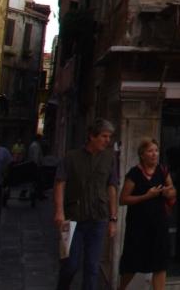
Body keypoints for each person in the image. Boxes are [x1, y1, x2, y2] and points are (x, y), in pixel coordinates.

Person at [54, 120, 120, 290]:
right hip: (72, 218)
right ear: (92, 136)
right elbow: (60, 182)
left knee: (92, 267)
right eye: (104, 136)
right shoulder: (71, 157)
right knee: (70, 265)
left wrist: (113, 219)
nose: (107, 140)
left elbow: (112, 187)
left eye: (109, 137)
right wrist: (59, 211)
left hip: (98, 218)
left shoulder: (109, 158)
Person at [117, 138, 176, 290]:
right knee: (132, 262)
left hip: (159, 223)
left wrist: (168, 193)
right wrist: (146, 196)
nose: (154, 154)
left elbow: (172, 190)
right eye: (150, 151)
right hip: (138, 225)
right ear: (142, 155)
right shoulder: (134, 174)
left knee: (160, 264)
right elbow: (123, 199)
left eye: (156, 150)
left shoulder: (163, 170)